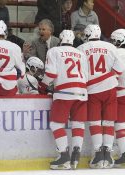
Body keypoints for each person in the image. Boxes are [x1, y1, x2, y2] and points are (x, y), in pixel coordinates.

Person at [38, 30, 88, 170]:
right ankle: (76, 155)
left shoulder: (54, 51)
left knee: (56, 125)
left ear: (60, 39)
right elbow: (86, 76)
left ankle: (64, 156)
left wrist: (42, 85)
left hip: (64, 92)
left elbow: (51, 73)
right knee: (78, 124)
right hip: (82, 92)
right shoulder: (81, 53)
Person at [77, 24, 125, 169]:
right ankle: (108, 156)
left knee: (95, 122)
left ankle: (98, 155)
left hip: (93, 90)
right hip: (111, 89)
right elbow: (118, 69)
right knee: (111, 123)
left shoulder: (81, 49)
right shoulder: (110, 48)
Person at [110, 29, 125, 167]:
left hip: (120, 93)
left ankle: (124, 153)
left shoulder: (115, 53)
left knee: (120, 124)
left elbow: (112, 74)